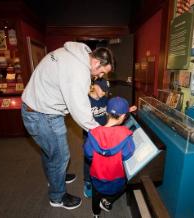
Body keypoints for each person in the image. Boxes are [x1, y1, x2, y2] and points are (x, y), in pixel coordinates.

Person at [21, 41, 114, 210]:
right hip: (42, 114)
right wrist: (99, 132)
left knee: (50, 151)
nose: (100, 76)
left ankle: (56, 176)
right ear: (95, 62)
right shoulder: (78, 71)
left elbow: (69, 84)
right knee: (61, 156)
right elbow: (80, 110)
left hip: (37, 107)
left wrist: (90, 86)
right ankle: (57, 196)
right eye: (101, 71)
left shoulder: (75, 55)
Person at [83, 97, 136, 217]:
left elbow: (88, 154)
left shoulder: (93, 133)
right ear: (123, 117)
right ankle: (108, 200)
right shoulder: (126, 135)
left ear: (106, 113)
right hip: (116, 178)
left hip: (97, 176)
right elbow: (127, 154)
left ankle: (96, 213)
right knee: (128, 184)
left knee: (96, 194)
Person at [83, 78, 110, 198]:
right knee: (89, 158)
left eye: (106, 91)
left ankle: (101, 178)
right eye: (102, 90)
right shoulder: (85, 100)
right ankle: (88, 181)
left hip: (103, 133)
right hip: (90, 135)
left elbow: (108, 112)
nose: (104, 93)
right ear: (95, 86)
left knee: (102, 157)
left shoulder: (105, 98)